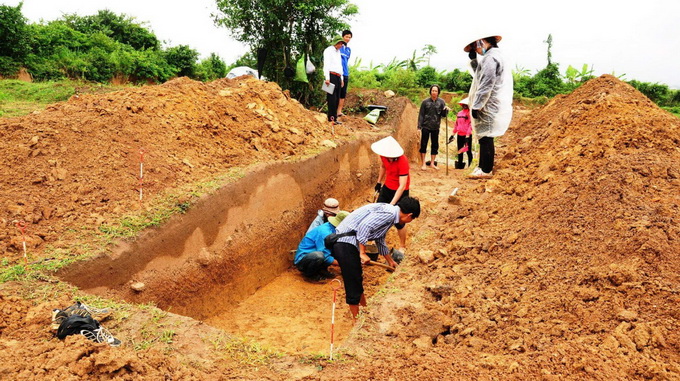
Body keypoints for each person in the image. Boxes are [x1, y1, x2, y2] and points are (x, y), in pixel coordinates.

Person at [331, 197, 421, 322]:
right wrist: (362, 253)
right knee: (352, 281)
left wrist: (390, 261)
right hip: (344, 242)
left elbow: (380, 239)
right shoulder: (389, 213)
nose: (409, 221)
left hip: (350, 242)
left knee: (357, 277)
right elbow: (364, 227)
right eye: (412, 219)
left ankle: (365, 309)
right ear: (409, 215)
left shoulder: (391, 215)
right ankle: (356, 320)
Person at [464, 34, 513, 179]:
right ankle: (482, 166)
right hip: (488, 103)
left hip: (487, 104)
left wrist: (477, 105)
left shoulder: (490, 58)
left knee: (486, 136)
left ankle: (486, 170)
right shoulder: (492, 56)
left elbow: (486, 84)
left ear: (481, 42)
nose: (476, 50)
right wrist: (473, 60)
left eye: (475, 47)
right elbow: (479, 75)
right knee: (483, 137)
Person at [370, 136, 409, 253]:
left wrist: (392, 204)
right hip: (387, 188)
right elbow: (383, 167)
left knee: (399, 221)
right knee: (378, 214)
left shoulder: (403, 161)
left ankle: (402, 245)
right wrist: (378, 182)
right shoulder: (384, 156)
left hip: (400, 192)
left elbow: (402, 186)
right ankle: (375, 239)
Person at [295, 211, 350, 282]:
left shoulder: (333, 228)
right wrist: (345, 264)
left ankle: (321, 270)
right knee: (319, 256)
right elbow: (325, 255)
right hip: (304, 260)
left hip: (317, 253)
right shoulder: (325, 233)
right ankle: (311, 275)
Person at [418, 84, 449, 170]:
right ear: (430, 91)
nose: (434, 92)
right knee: (423, 144)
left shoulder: (441, 102)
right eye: (432, 90)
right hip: (426, 126)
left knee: (435, 145)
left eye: (435, 91)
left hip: (436, 127)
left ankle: (432, 163)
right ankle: (423, 163)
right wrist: (419, 127)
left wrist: (446, 110)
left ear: (438, 92)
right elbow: (421, 115)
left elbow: (443, 115)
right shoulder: (425, 102)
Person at [323, 36, 346, 125]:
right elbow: (326, 64)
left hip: (338, 76)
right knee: (331, 98)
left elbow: (340, 66)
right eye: (340, 43)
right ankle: (331, 118)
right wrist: (327, 78)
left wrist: (342, 78)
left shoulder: (338, 52)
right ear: (336, 43)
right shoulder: (328, 50)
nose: (341, 45)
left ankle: (335, 118)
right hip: (331, 75)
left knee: (337, 98)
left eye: (342, 44)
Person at [449, 97, 473, 169]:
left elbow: (471, 125)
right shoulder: (459, 113)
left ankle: (470, 166)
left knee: (468, 151)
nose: (464, 105)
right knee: (460, 150)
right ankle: (460, 165)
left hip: (467, 136)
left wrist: (468, 135)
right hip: (460, 135)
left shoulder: (470, 114)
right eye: (463, 104)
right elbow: (456, 125)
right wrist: (452, 135)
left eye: (466, 104)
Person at [337, 30, 352, 119]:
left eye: (350, 37)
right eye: (346, 37)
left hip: (345, 73)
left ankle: (339, 111)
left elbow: (346, 61)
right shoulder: (338, 47)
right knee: (335, 92)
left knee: (343, 93)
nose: (348, 39)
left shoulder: (348, 50)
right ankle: (332, 111)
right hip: (337, 73)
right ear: (343, 37)